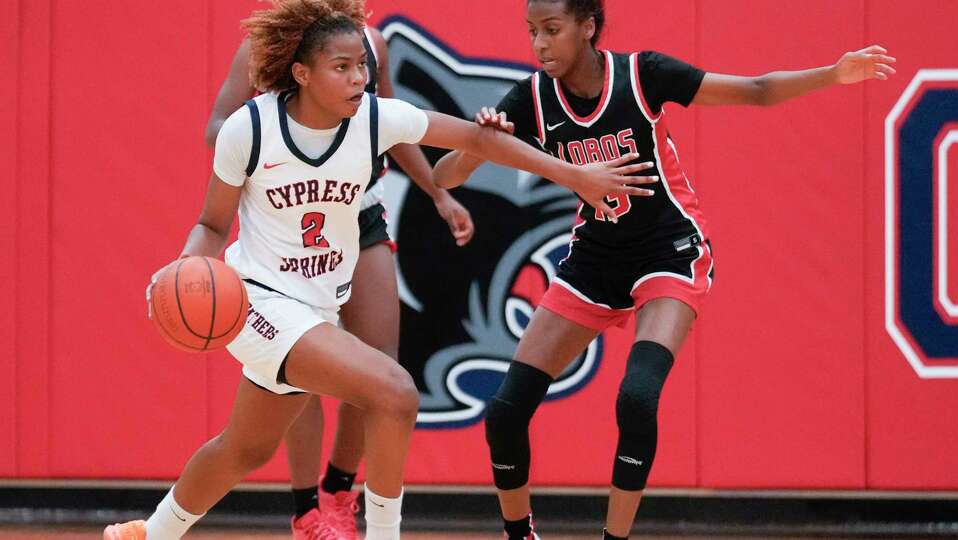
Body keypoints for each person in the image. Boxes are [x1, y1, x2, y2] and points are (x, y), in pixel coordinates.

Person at [103, 0, 658, 539]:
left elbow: (477, 139)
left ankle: (147, 533)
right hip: (258, 302)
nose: (358, 79)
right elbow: (212, 224)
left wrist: (575, 176)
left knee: (244, 449)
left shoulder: (374, 120)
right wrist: (184, 266)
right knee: (395, 391)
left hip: (316, 302)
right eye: (342, 68)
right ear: (302, 72)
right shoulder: (249, 130)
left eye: (362, 66)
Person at [432, 1, 896, 538]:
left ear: (587, 27)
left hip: (667, 249)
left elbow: (757, 90)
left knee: (637, 396)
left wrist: (834, 74)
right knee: (505, 414)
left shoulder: (642, 74)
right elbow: (446, 175)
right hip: (594, 261)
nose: (539, 44)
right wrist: (477, 141)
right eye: (532, 32)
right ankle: (520, 536)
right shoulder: (532, 96)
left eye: (552, 30)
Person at [205, 14, 477, 539]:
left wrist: (438, 193)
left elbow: (394, 126)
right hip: (289, 215)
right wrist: (273, 132)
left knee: (379, 365)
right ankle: (307, 509)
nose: (354, 77)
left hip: (357, 210)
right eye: (340, 68)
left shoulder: (371, 45)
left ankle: (339, 491)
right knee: (300, 366)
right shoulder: (263, 51)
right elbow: (216, 127)